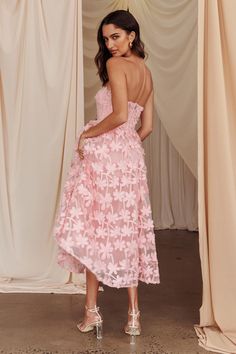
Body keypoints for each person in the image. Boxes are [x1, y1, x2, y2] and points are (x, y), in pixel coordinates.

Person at [53, 9, 160, 342]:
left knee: (94, 231)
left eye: (115, 36)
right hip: (130, 160)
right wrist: (124, 147)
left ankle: (91, 314)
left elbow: (117, 115)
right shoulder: (146, 72)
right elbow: (146, 127)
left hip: (106, 157)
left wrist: (89, 136)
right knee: (127, 232)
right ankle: (133, 318)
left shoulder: (116, 66)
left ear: (132, 35)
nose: (110, 45)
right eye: (105, 39)